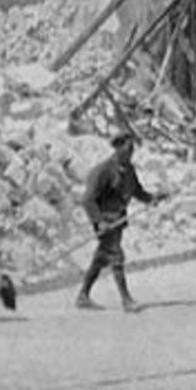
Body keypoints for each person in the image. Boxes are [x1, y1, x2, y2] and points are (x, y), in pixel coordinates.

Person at [77, 130, 159, 311]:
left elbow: (137, 190)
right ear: (118, 148)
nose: (130, 153)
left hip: (118, 221)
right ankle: (126, 300)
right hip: (106, 221)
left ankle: (83, 296)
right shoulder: (103, 171)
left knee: (100, 259)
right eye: (127, 149)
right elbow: (87, 199)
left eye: (132, 150)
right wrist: (99, 222)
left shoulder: (129, 170)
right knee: (116, 256)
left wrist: (151, 199)